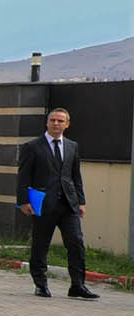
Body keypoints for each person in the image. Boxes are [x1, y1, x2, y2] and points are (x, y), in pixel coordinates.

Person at [17, 107, 99, 300]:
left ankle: (78, 285)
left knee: (76, 243)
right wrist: (23, 202)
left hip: (68, 204)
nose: (56, 124)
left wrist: (81, 201)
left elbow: (75, 175)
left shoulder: (72, 146)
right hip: (43, 203)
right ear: (47, 123)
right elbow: (23, 177)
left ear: (67, 124)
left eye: (60, 121)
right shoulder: (33, 146)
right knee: (40, 244)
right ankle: (41, 284)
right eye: (53, 120)